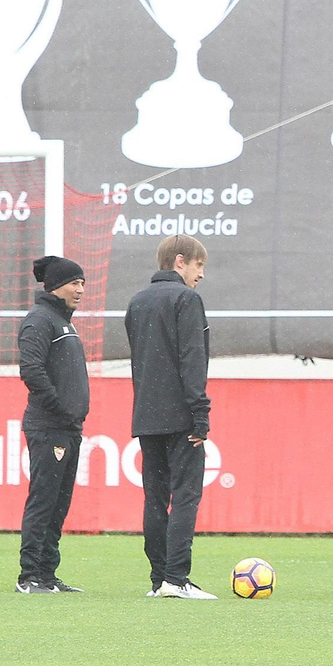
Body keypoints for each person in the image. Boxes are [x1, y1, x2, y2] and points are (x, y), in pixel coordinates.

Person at [125, 235, 216, 599]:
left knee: (154, 497)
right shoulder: (186, 299)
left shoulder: (136, 302)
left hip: (146, 413)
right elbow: (192, 359)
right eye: (199, 266)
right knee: (186, 495)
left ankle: (158, 579)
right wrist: (200, 413)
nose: (202, 275)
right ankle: (177, 579)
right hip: (180, 414)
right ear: (181, 262)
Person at [15, 255, 90, 594]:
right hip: (49, 427)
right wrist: (60, 408)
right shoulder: (40, 320)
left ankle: (47, 574)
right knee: (44, 500)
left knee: (59, 505)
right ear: (57, 285)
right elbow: (31, 370)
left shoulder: (63, 322)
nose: (80, 290)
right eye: (75, 283)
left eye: (82, 283)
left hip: (68, 428)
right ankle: (29, 576)